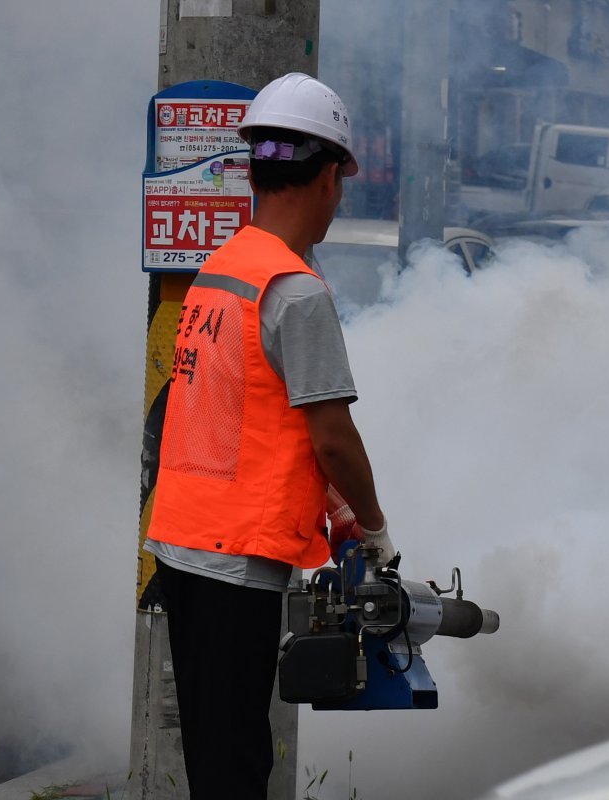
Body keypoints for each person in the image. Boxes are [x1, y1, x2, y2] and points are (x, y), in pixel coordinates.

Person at [143, 72, 395, 800]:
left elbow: (245, 418)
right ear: (322, 180)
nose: (338, 199)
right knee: (237, 768)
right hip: (235, 558)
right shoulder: (295, 290)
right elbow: (333, 438)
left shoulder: (224, 267)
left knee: (216, 757)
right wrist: (374, 528)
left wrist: (333, 515)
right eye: (340, 180)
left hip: (184, 544)